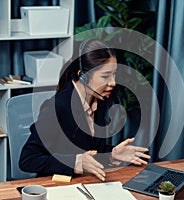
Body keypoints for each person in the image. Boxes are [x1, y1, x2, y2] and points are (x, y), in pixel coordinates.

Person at [19, 39, 150, 181]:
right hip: (57, 185)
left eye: (114, 74)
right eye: (105, 76)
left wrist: (112, 154)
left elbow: (90, 151)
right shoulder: (57, 108)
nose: (113, 82)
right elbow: (28, 159)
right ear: (82, 75)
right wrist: (75, 162)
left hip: (86, 182)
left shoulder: (99, 101)